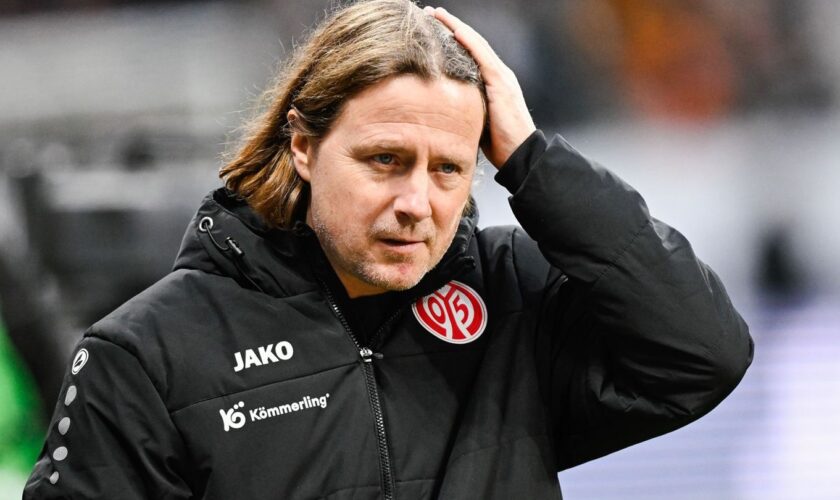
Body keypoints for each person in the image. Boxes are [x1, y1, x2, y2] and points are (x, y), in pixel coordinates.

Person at [24, 1, 753, 498]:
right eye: (384, 160)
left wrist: (532, 158)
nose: (417, 204)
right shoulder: (145, 355)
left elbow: (701, 353)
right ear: (304, 146)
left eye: (448, 169)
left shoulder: (513, 296)